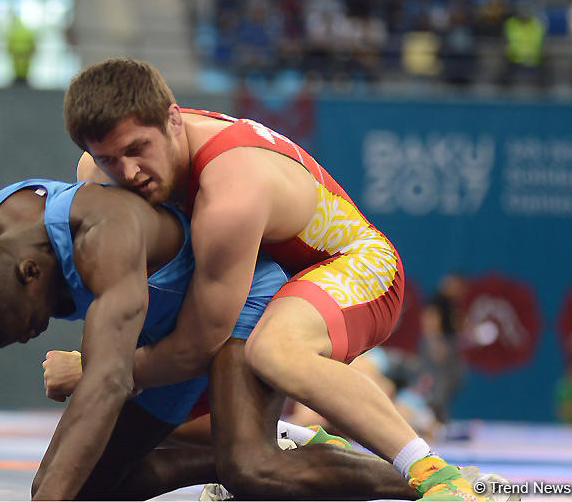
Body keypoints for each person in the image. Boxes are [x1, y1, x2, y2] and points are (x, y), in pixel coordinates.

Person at [0, 179, 415, 501]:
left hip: (233, 304)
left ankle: (437, 486)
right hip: (159, 332)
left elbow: (111, 379)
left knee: (253, 472)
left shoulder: (102, 234)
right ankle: (242, 447)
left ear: (33, 271)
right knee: (82, 490)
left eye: (28, 324)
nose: (32, 337)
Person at [52, 57, 493, 501]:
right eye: (109, 158)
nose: (128, 173)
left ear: (173, 120)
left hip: (358, 265)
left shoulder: (232, 190)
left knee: (273, 351)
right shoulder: (96, 175)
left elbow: (196, 344)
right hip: (265, 279)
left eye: (136, 149)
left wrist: (100, 370)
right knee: (162, 414)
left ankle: (438, 477)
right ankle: (294, 441)